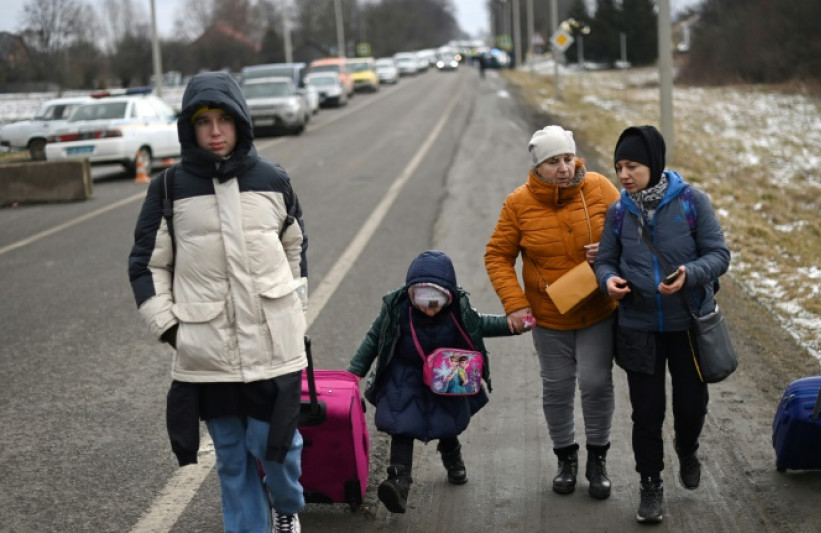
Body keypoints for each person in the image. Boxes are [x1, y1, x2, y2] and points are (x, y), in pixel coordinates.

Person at [129, 71, 309, 533]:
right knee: (231, 459)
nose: (214, 131)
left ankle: (287, 504)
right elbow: (146, 266)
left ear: (240, 123)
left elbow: (295, 246)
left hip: (273, 350)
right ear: (189, 127)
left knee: (279, 447)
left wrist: (294, 308)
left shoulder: (274, 179)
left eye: (224, 119)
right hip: (208, 355)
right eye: (203, 120)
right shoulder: (168, 188)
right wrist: (171, 328)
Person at [593, 125, 730, 523]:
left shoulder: (692, 202)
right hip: (637, 327)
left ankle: (687, 448)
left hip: (687, 324)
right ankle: (649, 484)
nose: (623, 175)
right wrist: (608, 281)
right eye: (619, 166)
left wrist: (690, 273)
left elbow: (719, 255)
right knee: (646, 413)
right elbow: (605, 260)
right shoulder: (619, 211)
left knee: (692, 405)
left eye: (632, 165)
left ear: (653, 165)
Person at [485, 125, 620, 499]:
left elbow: (633, 231)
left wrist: (609, 248)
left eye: (567, 158)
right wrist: (515, 303)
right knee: (557, 388)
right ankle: (566, 459)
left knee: (595, 383)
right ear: (537, 167)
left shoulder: (599, 187)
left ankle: (598, 459)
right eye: (552, 161)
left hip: (597, 309)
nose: (563, 168)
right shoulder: (519, 203)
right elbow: (497, 255)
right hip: (550, 316)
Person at [346, 250, 516, 514]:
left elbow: (482, 324)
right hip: (405, 377)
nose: (428, 309)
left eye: (435, 304)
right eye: (422, 302)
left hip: (444, 375)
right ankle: (398, 481)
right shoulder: (397, 308)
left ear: (447, 298)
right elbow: (373, 338)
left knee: (446, 424)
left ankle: (453, 458)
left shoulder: (458, 311)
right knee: (401, 426)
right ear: (411, 294)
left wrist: (512, 324)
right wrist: (355, 372)